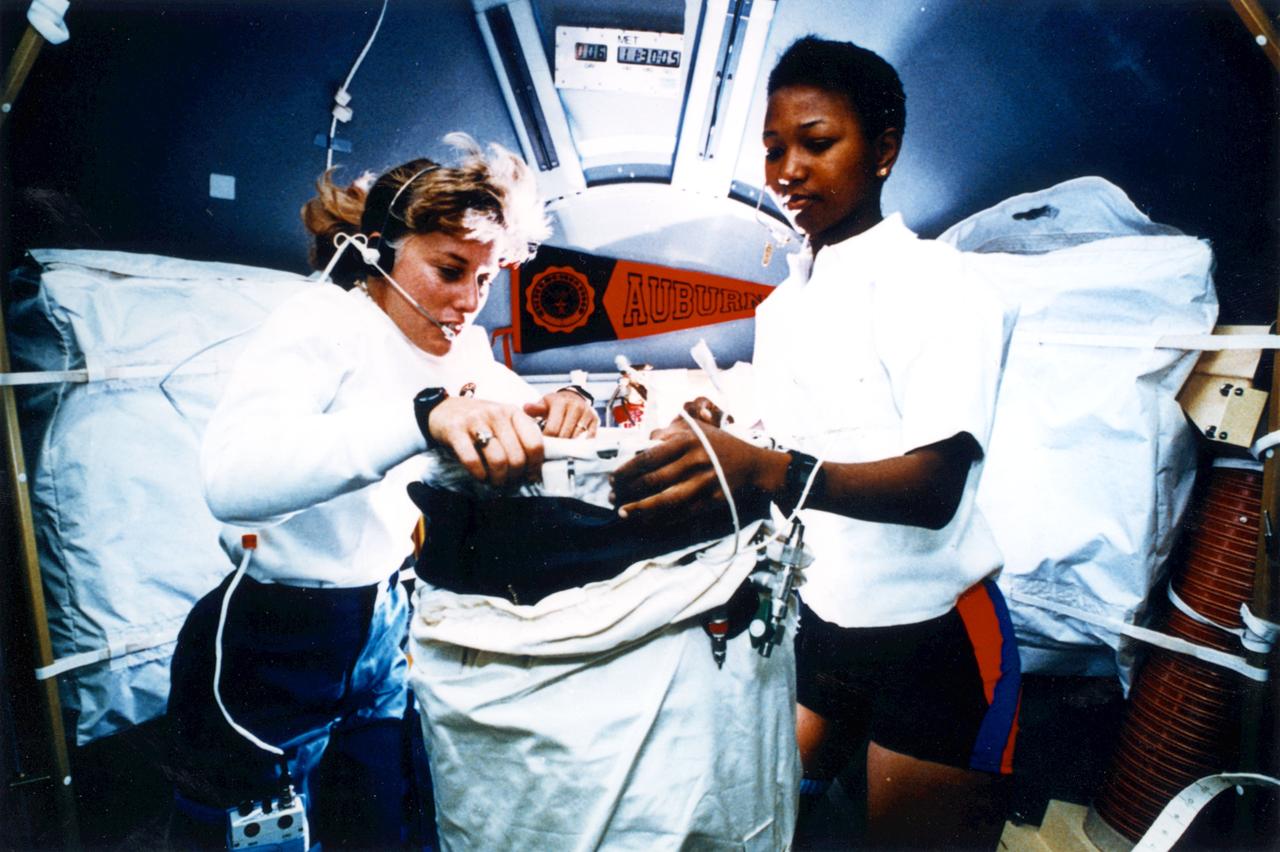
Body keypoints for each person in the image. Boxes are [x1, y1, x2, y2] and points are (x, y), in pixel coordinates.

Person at [612, 36, 1021, 848]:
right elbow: (814, 438)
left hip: (933, 636)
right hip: (826, 624)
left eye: (816, 142)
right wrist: (730, 430)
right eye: (772, 149)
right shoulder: (785, 307)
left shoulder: (940, 285)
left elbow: (932, 490)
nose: (787, 168)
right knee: (755, 826)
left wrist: (767, 468)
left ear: (884, 151)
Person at [165, 133, 595, 849]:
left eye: (485, 280)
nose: (467, 302)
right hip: (276, 636)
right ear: (377, 252)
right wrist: (420, 417)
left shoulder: (459, 347)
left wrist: (567, 400)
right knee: (258, 833)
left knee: (379, 826)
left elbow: (512, 405)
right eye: (449, 270)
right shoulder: (323, 323)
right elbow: (230, 478)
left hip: (382, 630)